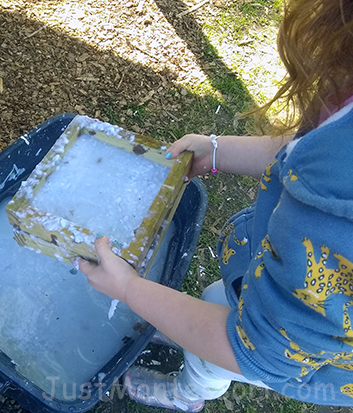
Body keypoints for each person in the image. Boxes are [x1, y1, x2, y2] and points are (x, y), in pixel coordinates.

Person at [78, 0, 353, 410]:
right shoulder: (338, 149)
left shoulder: (338, 195)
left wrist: (130, 289)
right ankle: (182, 324)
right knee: (215, 300)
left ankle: (188, 394)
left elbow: (252, 352)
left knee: (210, 360)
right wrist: (218, 150)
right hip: (274, 289)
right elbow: (304, 154)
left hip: (306, 356)